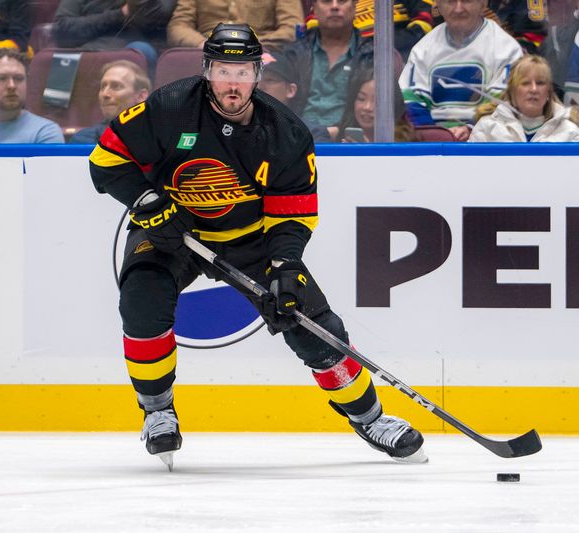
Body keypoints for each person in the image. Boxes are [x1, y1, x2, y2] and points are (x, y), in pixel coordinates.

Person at [89, 22, 427, 469]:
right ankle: (157, 412)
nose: (234, 83)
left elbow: (292, 214)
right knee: (141, 300)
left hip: (253, 244)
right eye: (224, 71)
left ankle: (370, 418)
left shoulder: (285, 132)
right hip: (174, 232)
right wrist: (149, 201)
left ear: (257, 75)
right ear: (207, 70)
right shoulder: (168, 108)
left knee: (312, 324)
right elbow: (105, 163)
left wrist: (286, 266)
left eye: (243, 72)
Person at [399, 0, 523, 142]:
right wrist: (435, 135)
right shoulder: (422, 49)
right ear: (438, 5)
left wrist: (471, 128)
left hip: (487, 145)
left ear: (483, 4)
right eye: (450, 1)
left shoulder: (506, 48)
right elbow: (410, 102)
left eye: (466, 1)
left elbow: (503, 104)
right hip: (435, 148)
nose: (458, 9)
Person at [279, 0, 392, 129]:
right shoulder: (293, 53)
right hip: (300, 139)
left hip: (350, 143)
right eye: (326, 1)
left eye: (342, 0)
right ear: (314, 8)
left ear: (355, 6)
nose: (334, 6)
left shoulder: (374, 55)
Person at [469, 54, 579, 141]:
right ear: (512, 91)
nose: (533, 89)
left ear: (549, 92)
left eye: (540, 83)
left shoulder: (571, 132)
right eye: (525, 83)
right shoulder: (487, 128)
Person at [52, 0, 176, 71]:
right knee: (61, 61)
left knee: (141, 51)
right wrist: (119, 14)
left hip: (131, 50)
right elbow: (60, 31)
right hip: (84, 51)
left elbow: (153, 15)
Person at [303, 0, 435, 60]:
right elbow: (313, 26)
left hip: (398, 54)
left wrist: (375, 46)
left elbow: (423, 25)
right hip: (348, 57)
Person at [167, 0, 303, 51]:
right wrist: (202, 44)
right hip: (208, 50)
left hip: (261, 51)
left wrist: (252, 44)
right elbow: (178, 26)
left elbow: (292, 27)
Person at [69, 60, 151, 144]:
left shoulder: (160, 141)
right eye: (103, 87)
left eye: (116, 86)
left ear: (141, 96)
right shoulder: (82, 140)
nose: (105, 94)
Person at [258, 51, 332, 142]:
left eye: (270, 80)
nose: (259, 87)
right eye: (254, 81)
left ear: (290, 90)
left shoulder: (312, 134)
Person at [335, 64, 417, 142]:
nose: (367, 107)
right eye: (361, 98)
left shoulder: (405, 142)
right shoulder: (342, 136)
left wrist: (368, 151)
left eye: (377, 102)